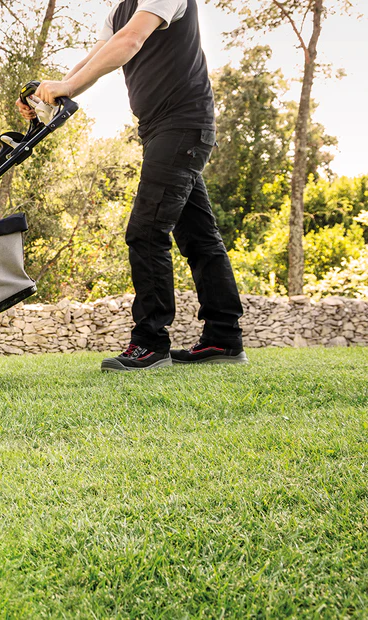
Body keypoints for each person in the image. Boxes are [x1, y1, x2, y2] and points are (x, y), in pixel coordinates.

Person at [17, 0, 247, 372]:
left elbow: (130, 40)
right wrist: (53, 94)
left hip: (183, 124)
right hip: (158, 130)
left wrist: (66, 86)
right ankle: (224, 339)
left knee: (146, 230)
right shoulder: (118, 10)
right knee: (199, 237)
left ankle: (150, 343)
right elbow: (97, 57)